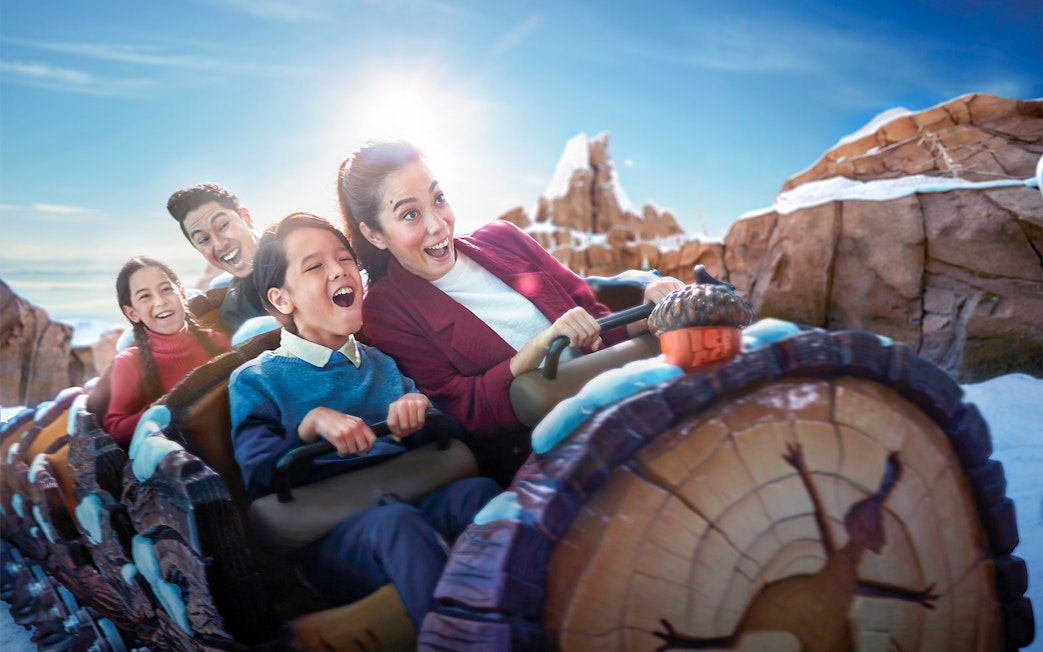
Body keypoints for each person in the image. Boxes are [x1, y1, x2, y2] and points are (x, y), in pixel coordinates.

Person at [338, 138, 682, 485]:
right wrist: (541, 345)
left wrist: (651, 304)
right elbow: (463, 406)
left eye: (438, 199)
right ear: (374, 234)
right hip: (546, 454)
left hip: (620, 394)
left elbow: (591, 310)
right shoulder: (385, 310)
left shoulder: (504, 238)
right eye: (410, 214)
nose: (438, 225)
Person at [228, 212, 498, 627]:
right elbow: (260, 475)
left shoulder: (382, 363)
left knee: (477, 494)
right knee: (396, 525)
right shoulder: (257, 380)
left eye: (344, 259)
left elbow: (449, 433)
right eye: (315, 266)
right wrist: (308, 427)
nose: (338, 271)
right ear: (283, 299)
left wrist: (421, 416)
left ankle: (536, 615)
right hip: (334, 535)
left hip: (409, 495)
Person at [104, 257, 231, 446]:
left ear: (182, 294)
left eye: (166, 289)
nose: (160, 301)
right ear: (132, 313)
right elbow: (115, 428)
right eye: (145, 296)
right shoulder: (129, 362)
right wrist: (157, 411)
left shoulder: (218, 342)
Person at [166, 183, 266, 334]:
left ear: (246, 217)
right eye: (204, 240)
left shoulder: (302, 248)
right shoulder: (234, 312)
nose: (219, 245)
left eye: (223, 226)